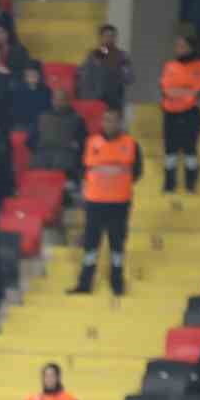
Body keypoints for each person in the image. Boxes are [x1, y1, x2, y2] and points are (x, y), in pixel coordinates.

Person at [69, 108, 141, 296]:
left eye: (114, 120)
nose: (110, 124)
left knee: (117, 245)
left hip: (119, 203)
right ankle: (85, 283)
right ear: (102, 122)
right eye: (106, 120)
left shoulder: (131, 144)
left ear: (120, 123)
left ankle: (117, 282)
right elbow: (80, 167)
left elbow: (137, 172)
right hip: (95, 203)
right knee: (91, 245)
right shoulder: (91, 142)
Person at [159, 35, 200, 194]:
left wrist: (181, 94)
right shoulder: (169, 66)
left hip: (191, 114)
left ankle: (190, 185)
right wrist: (184, 93)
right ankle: (169, 185)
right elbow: (165, 89)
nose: (178, 49)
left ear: (191, 48)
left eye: (182, 45)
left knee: (190, 150)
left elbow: (199, 91)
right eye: (177, 45)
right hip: (170, 113)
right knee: (170, 150)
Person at [75, 24, 133, 110]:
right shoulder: (93, 55)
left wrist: (121, 67)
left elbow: (129, 78)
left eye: (112, 36)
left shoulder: (122, 56)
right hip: (94, 100)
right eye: (106, 36)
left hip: (114, 101)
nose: (109, 39)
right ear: (100, 38)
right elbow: (83, 77)